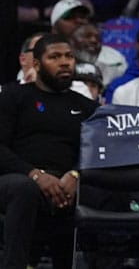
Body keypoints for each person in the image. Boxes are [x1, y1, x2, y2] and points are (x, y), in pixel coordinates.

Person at [0, 34, 97, 269]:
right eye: (54, 57)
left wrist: (76, 174)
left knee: (96, 191)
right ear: (36, 64)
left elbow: (97, 151)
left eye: (69, 56)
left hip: (66, 182)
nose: (64, 62)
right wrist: (35, 175)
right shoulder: (13, 96)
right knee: (24, 188)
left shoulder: (87, 107)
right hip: (17, 179)